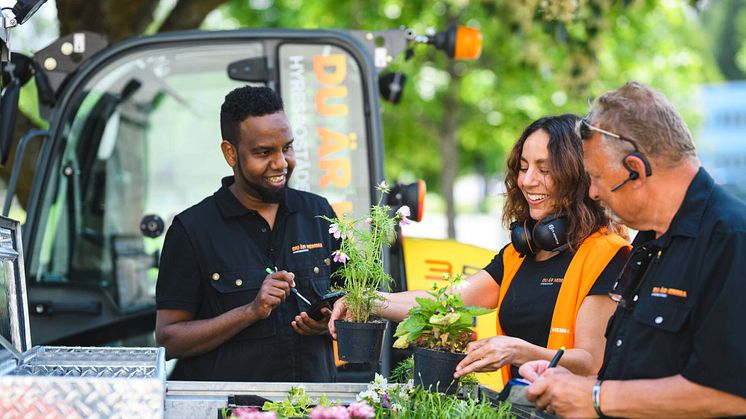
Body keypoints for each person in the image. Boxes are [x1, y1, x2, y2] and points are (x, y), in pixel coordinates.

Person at [329, 114, 630, 383]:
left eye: (545, 170)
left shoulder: (607, 254)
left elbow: (591, 363)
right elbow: (445, 300)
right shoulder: (518, 254)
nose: (527, 181)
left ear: (577, 177)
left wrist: (518, 351)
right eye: (523, 168)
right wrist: (367, 300)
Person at [522, 82, 746, 418]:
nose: (593, 192)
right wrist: (570, 385)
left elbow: (732, 393)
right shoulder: (648, 241)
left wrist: (597, 397)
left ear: (636, 170)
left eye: (596, 176)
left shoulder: (731, 238)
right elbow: (642, 370)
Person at [155, 85, 340, 382]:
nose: (281, 163)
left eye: (287, 148)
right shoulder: (192, 230)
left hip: (314, 407)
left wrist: (329, 321)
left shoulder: (318, 213)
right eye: (264, 152)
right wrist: (251, 311)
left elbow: (355, 306)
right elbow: (169, 339)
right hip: (230, 411)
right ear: (230, 153)